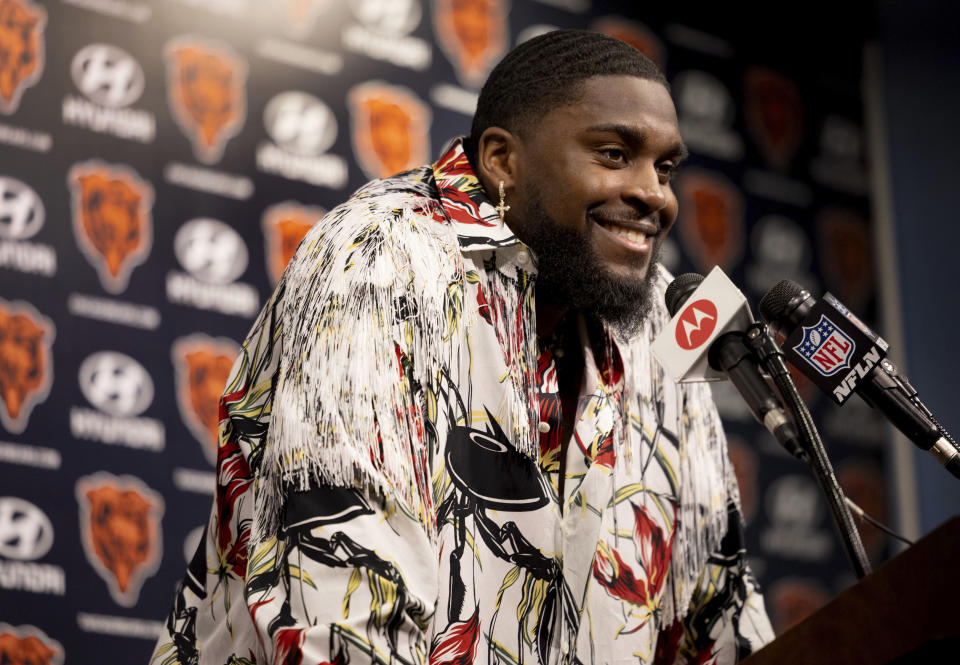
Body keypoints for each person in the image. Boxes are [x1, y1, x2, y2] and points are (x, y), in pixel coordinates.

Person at [150, 29, 774, 665]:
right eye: (614, 154)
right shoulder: (380, 257)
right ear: (502, 159)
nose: (655, 195)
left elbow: (715, 599)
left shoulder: (664, 316)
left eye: (665, 168)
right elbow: (341, 588)